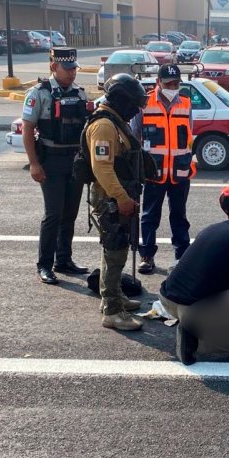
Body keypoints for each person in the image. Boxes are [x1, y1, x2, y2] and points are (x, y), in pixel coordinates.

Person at [159, 192, 229, 364]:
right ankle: (195, 341)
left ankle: (191, 325)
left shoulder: (210, 229)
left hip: (166, 299)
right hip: (193, 309)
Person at [22, 47, 90, 285]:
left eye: (74, 69)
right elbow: (28, 129)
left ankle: (64, 260)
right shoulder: (39, 94)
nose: (72, 73)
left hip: (75, 159)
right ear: (54, 67)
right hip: (51, 160)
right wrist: (34, 163)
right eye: (68, 69)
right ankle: (44, 265)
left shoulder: (80, 94)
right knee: (53, 214)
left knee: (69, 214)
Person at [86, 73, 148, 331]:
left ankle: (112, 297)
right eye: (133, 103)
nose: (135, 110)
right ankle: (112, 311)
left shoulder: (115, 122)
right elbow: (103, 169)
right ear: (121, 99)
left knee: (114, 249)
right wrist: (122, 199)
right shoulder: (104, 126)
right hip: (110, 199)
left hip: (117, 197)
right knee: (115, 252)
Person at [130, 63, 196, 275]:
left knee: (179, 217)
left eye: (176, 83)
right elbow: (134, 135)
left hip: (179, 172)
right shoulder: (145, 103)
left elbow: (189, 135)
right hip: (153, 173)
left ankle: (182, 257)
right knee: (150, 216)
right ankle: (147, 256)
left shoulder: (185, 103)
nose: (173, 87)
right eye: (169, 83)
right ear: (159, 83)